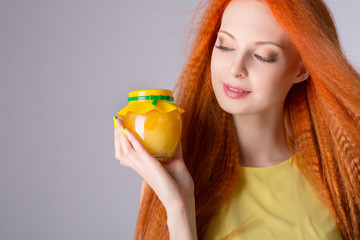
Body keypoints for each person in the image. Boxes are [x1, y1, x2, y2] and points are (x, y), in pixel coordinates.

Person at [113, 0, 360, 239]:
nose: (235, 68)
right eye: (225, 46)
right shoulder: (172, 177)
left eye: (263, 56)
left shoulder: (344, 174)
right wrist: (179, 207)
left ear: (302, 68)